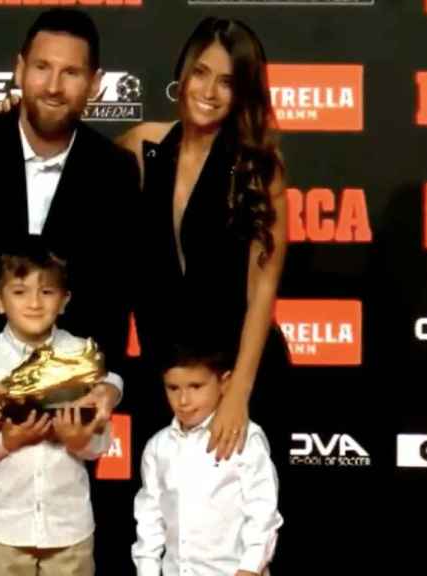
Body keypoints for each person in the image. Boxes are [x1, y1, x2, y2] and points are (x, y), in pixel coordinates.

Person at [0, 8, 138, 432]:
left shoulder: (116, 172)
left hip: (66, 420)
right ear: (19, 69)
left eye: (71, 72)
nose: (53, 87)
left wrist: (106, 383)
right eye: (41, 68)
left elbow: (117, 292)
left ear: (94, 83)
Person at [115, 17, 290, 461]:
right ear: (184, 72)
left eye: (227, 82)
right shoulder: (142, 146)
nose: (209, 92)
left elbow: (262, 286)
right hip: (169, 381)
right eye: (201, 73)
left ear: (243, 93)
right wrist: (11, 120)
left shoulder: (257, 169)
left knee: (238, 524)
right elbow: (74, 162)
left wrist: (238, 395)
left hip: (237, 375)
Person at [0, 240, 113, 576]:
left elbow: (103, 441)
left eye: (46, 292)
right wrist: (4, 443)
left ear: (64, 301)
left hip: (71, 530)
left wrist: (78, 441)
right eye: (20, 292)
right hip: (2, 530)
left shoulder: (81, 358)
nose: (34, 303)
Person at [131, 342, 282, 576]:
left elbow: (263, 513)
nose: (183, 400)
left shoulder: (244, 437)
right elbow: (149, 519)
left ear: (225, 382)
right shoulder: (158, 447)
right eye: (173, 388)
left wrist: (250, 568)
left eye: (196, 386)